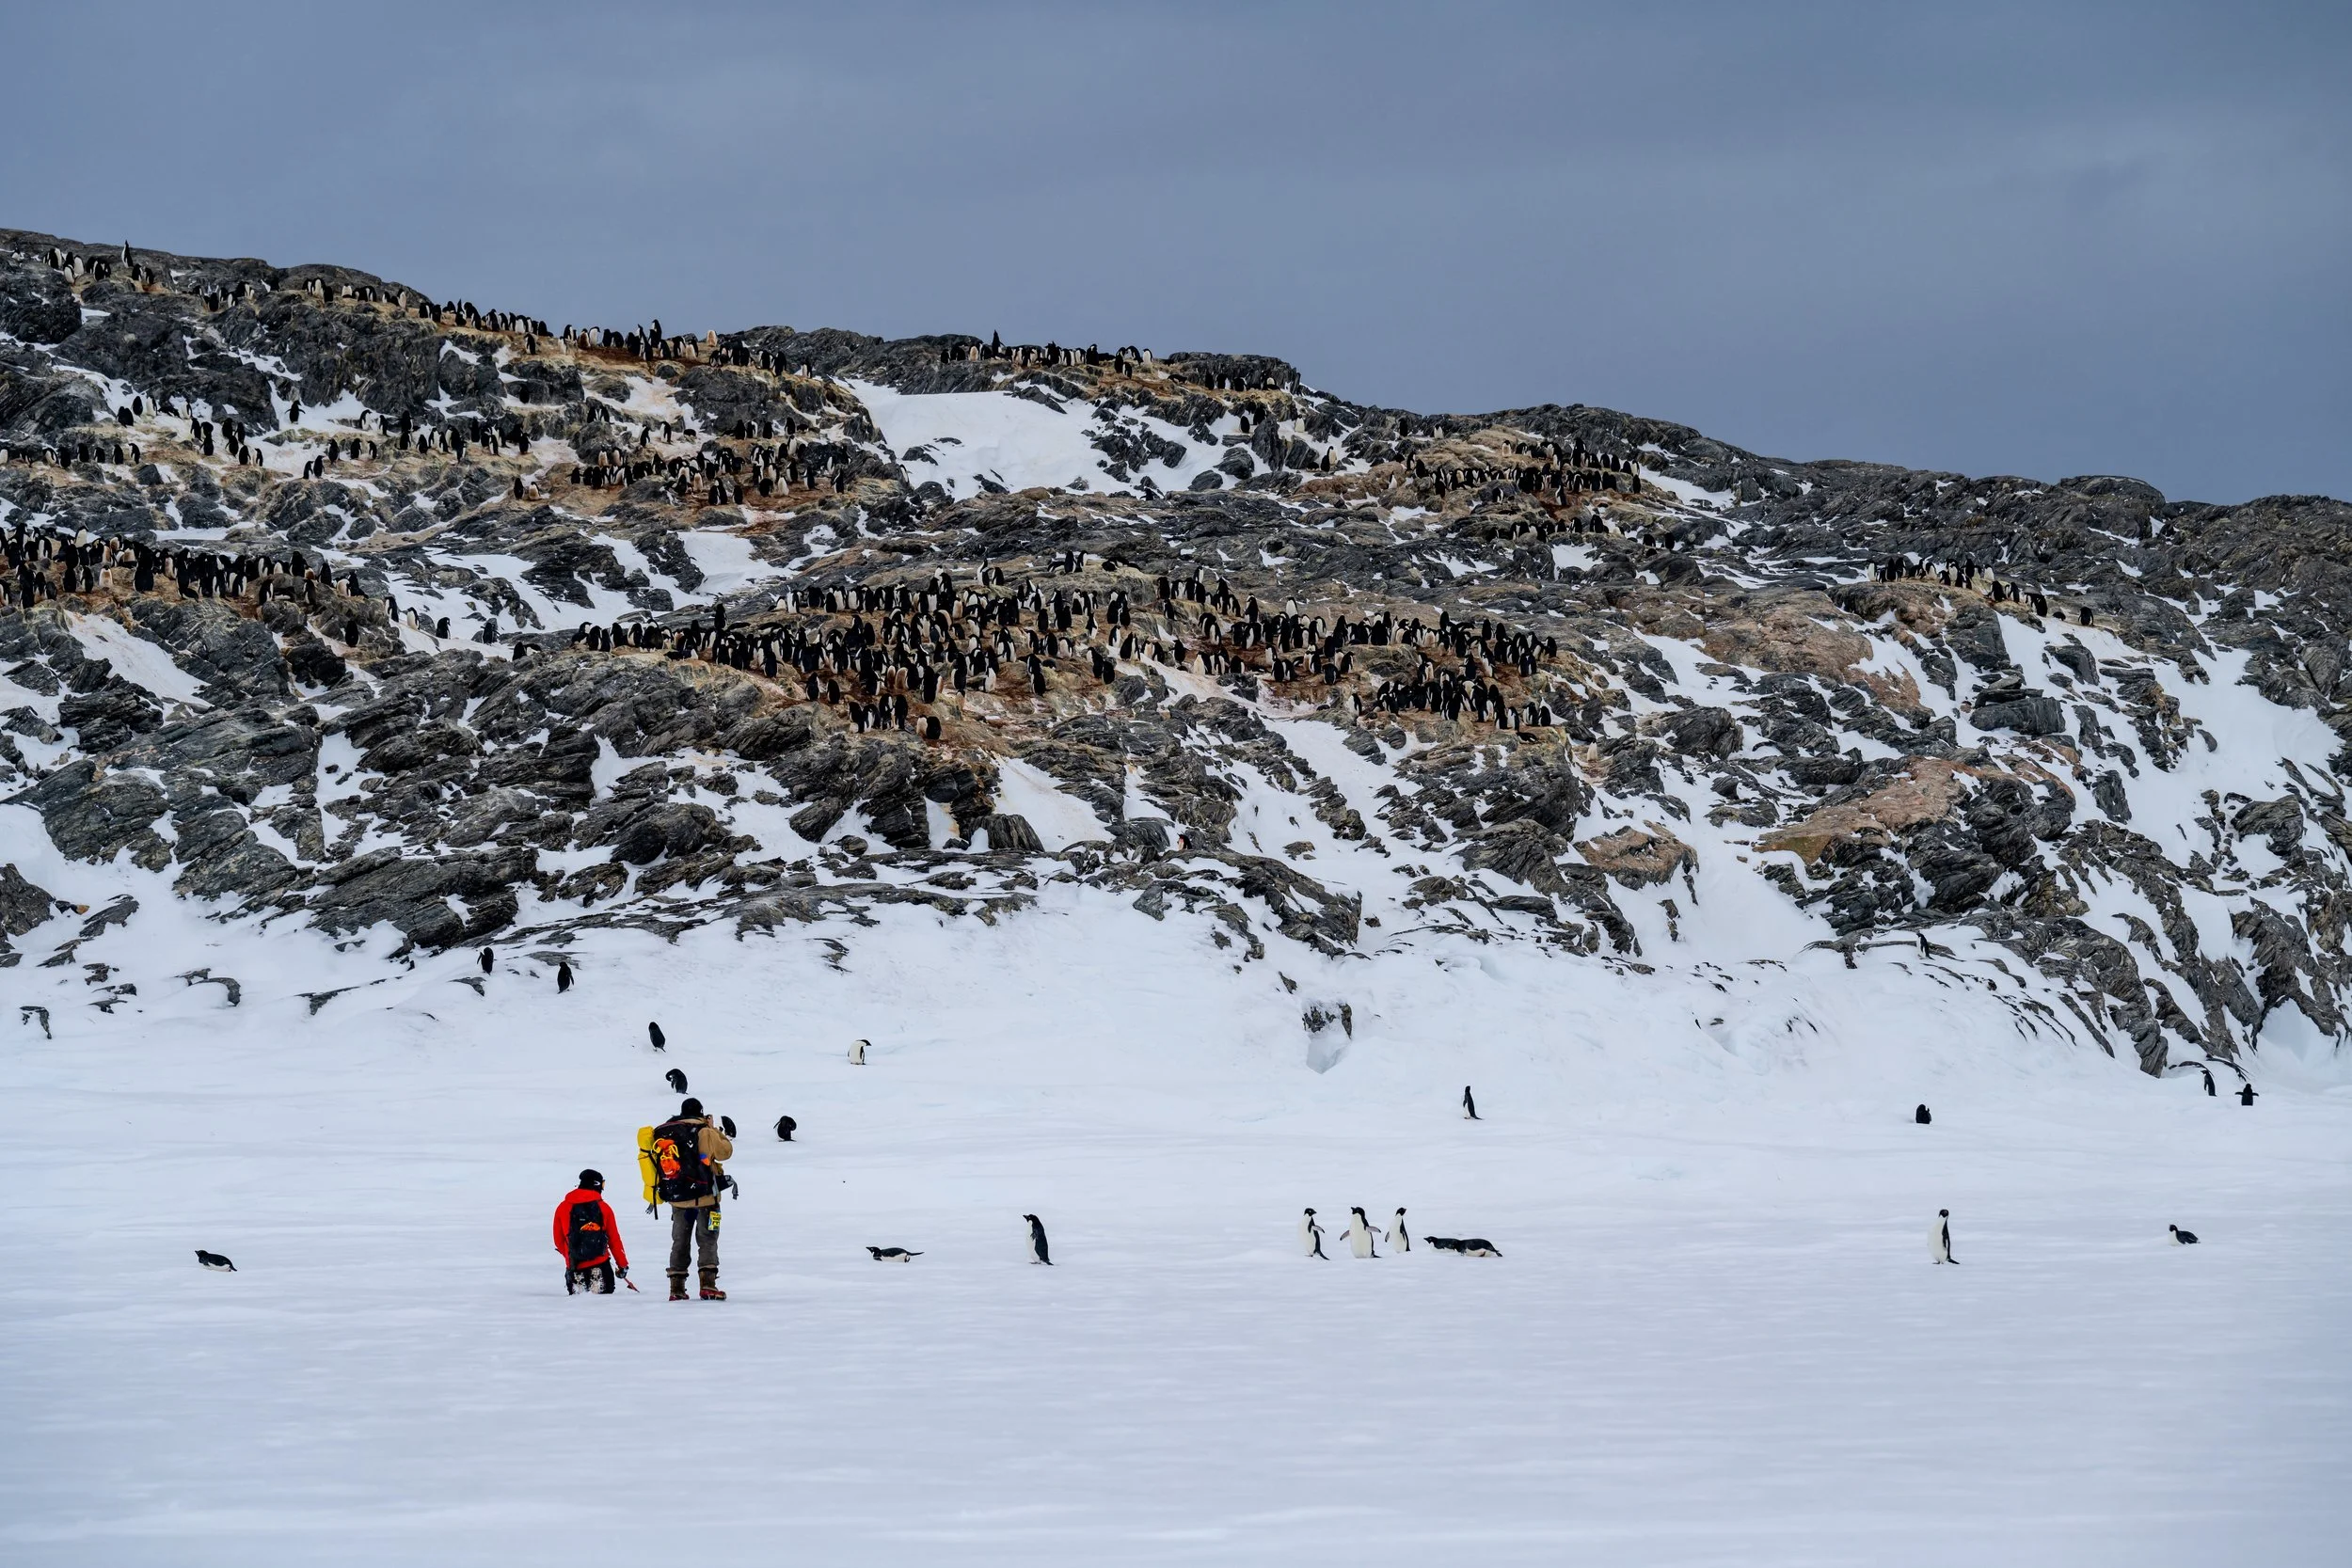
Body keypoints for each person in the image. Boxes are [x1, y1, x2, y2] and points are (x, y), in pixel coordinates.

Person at [644, 1098, 734, 1301]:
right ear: (701, 1113)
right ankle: (708, 1285)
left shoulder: (667, 1131)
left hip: (678, 1199)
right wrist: (714, 1130)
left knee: (679, 1241)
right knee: (708, 1239)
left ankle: (676, 1287)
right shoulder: (704, 1131)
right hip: (707, 1198)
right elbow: (725, 1152)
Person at [553, 1169, 629, 1294]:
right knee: (606, 1308)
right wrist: (622, 1265)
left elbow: (558, 1240)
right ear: (597, 1185)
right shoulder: (604, 1208)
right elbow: (614, 1240)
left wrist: (572, 1255)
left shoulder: (563, 1207)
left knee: (578, 1310)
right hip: (601, 1267)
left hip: (575, 1268)